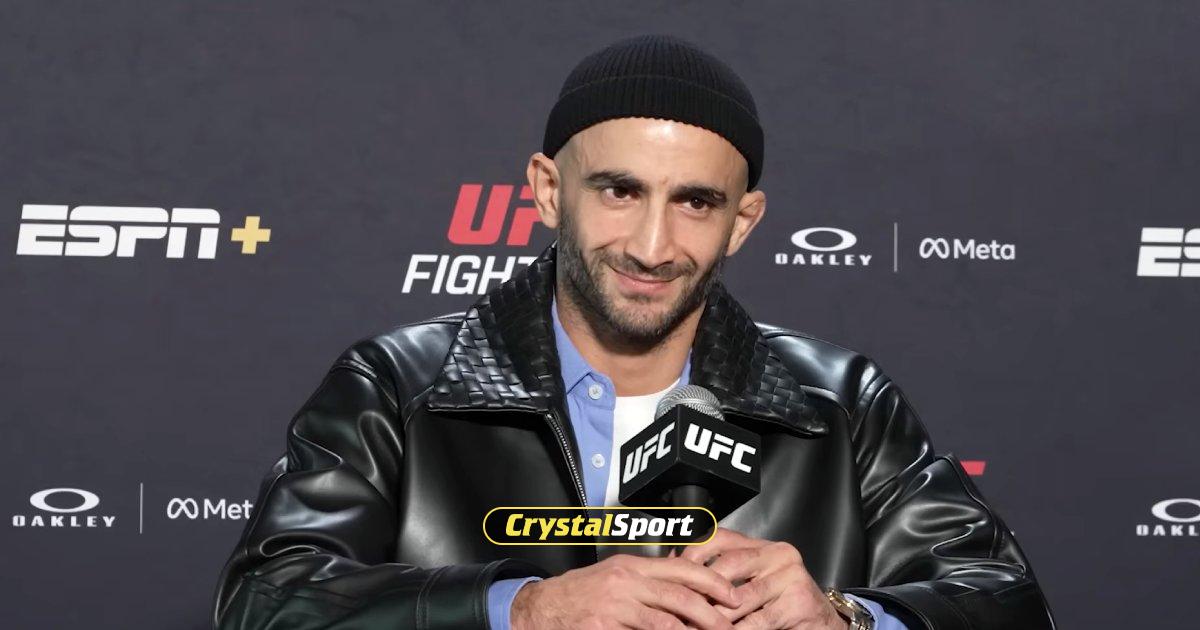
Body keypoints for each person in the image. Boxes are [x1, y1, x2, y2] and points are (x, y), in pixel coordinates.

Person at [213, 34, 1055, 630]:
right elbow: (266, 603)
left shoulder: (841, 404)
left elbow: (1009, 601)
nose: (653, 247)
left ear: (743, 221)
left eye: (697, 202)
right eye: (620, 191)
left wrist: (846, 619)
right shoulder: (398, 387)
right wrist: (522, 609)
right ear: (549, 190)